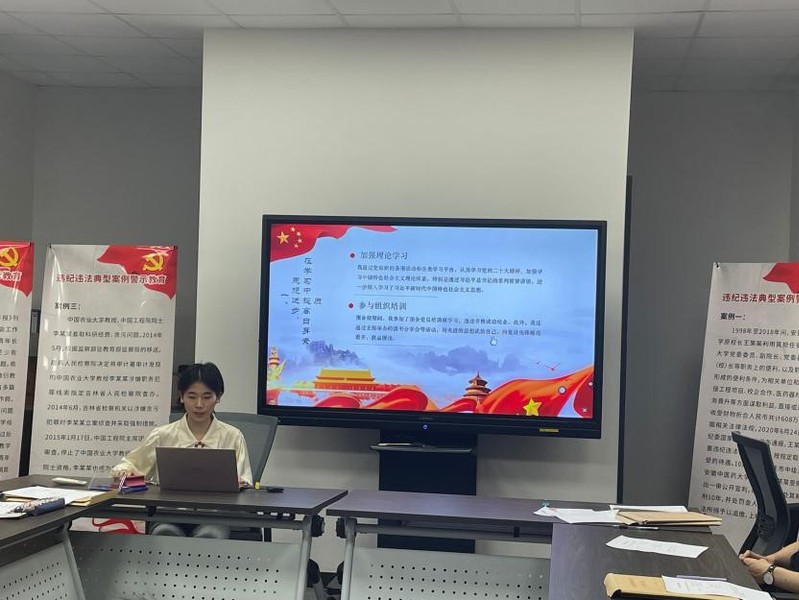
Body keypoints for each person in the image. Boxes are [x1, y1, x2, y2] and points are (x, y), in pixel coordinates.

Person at [112, 361, 252, 538]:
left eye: (207, 397)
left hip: (214, 516)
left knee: (210, 534)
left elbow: (246, 484)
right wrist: (125, 472)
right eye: (192, 397)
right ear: (181, 397)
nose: (199, 404)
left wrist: (238, 483)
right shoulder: (162, 435)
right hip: (169, 513)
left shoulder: (233, 436)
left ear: (218, 397)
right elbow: (129, 466)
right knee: (165, 532)